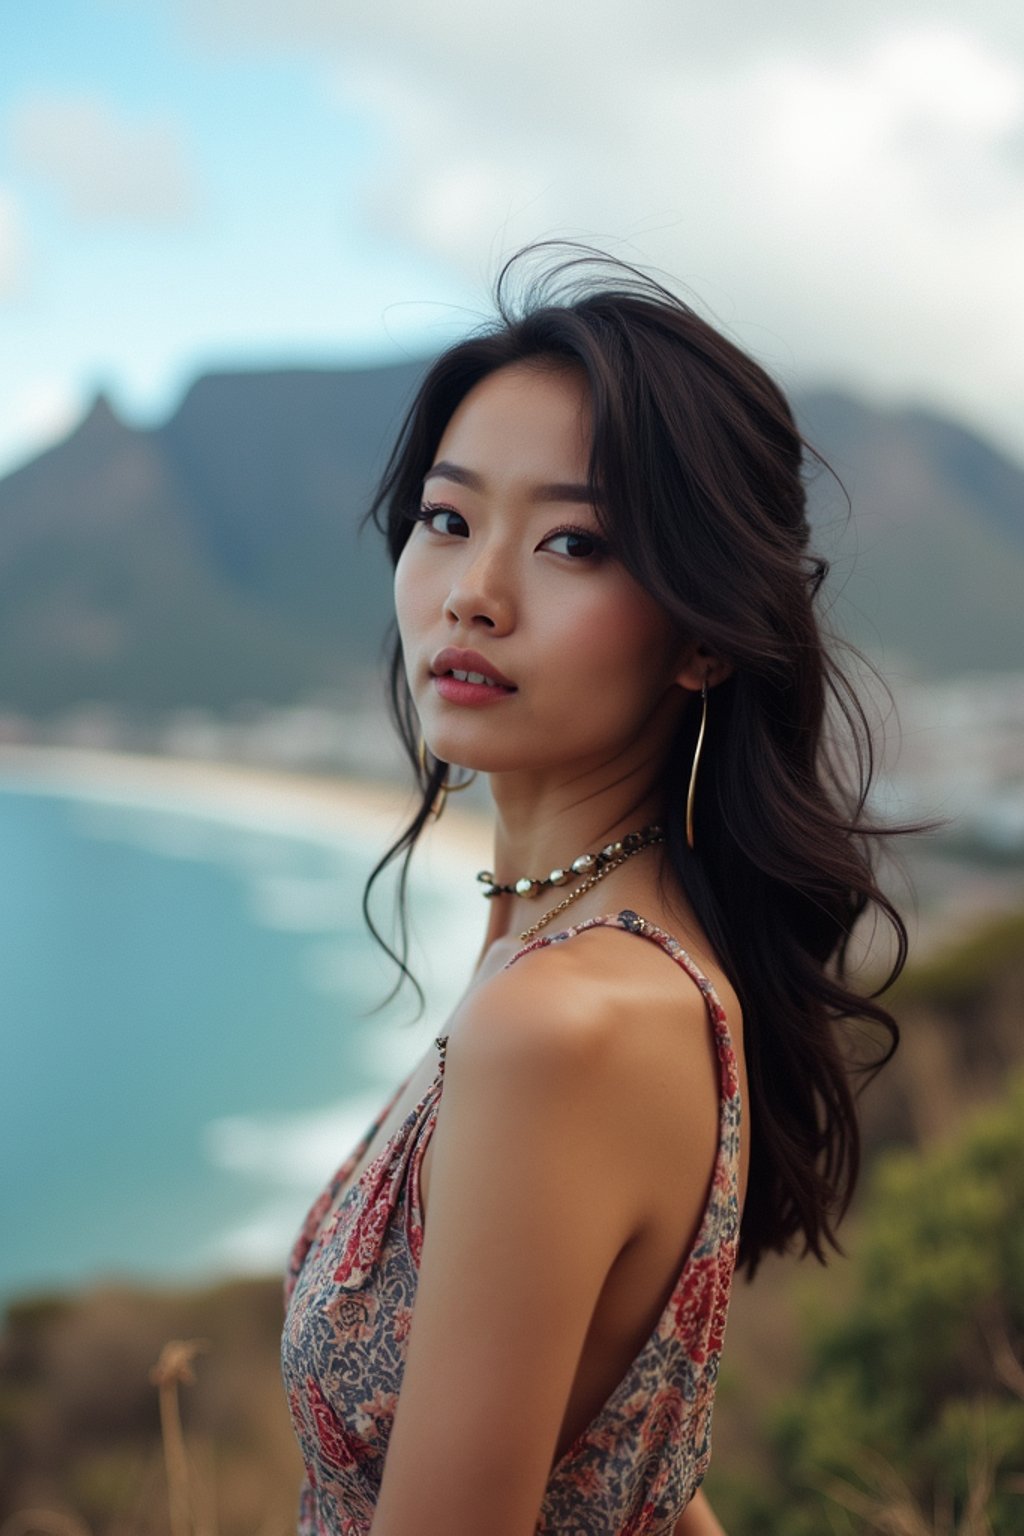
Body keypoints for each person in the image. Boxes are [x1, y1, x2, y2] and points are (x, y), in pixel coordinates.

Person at [280, 246, 906, 1535]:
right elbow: (638, 1479)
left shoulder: (560, 1021)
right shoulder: (602, 956)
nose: (474, 594)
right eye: (448, 520)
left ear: (704, 638)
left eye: (573, 543)